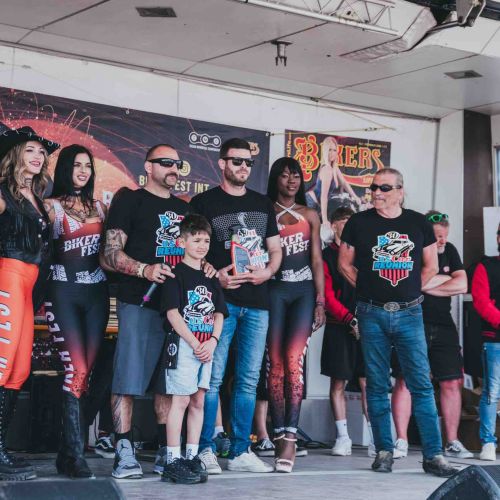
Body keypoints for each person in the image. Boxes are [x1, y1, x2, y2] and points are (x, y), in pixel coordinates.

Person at [338, 167, 458, 477]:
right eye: (374, 187)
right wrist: (368, 290)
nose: (376, 193)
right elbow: (344, 264)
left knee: (421, 384)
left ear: (400, 192)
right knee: (377, 385)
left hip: (409, 313)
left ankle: (434, 455)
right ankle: (383, 451)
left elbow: (431, 266)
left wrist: (409, 291)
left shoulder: (418, 223)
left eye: (384, 188)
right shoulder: (358, 222)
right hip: (371, 312)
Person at [191, 138, 282, 474]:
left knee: (248, 380)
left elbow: (275, 249)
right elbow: (191, 250)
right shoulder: (203, 202)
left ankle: (241, 451)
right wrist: (217, 277)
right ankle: (204, 449)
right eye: (237, 161)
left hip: (258, 303)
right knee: (211, 378)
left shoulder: (262, 203)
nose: (244, 167)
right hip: (220, 303)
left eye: (248, 163)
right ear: (222, 163)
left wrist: (268, 272)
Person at [100, 144, 192, 479]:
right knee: (128, 377)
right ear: (148, 167)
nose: (173, 168)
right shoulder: (130, 200)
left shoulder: (185, 209)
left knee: (168, 383)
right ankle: (123, 450)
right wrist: (145, 270)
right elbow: (109, 253)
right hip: (138, 302)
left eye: (177, 163)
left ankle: (167, 450)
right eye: (165, 162)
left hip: (176, 309)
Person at [43, 144, 109, 478]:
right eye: (76, 165)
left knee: (88, 374)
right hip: (62, 292)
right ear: (64, 168)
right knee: (76, 371)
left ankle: (66, 454)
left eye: (87, 166)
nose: (83, 171)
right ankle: (76, 455)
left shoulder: (100, 207)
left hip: (96, 296)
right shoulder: (50, 206)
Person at [0, 125, 59, 480]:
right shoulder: (3, 191)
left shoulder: (36, 197)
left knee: (19, 370)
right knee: (2, 364)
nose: (37, 157)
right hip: (8, 276)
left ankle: (0, 448)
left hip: (30, 285)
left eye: (41, 152)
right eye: (30, 150)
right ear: (15, 154)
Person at [390, 211, 470, 460]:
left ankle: (452, 441)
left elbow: (462, 285)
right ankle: (401, 440)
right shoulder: (410, 249)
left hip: (444, 324)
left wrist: (425, 283)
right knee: (405, 380)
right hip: (412, 321)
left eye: (445, 236)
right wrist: (443, 281)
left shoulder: (450, 250)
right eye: (437, 237)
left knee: (452, 381)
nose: (442, 241)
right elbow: (405, 282)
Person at [263, 157, 325, 472]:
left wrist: (320, 301)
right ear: (275, 179)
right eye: (285, 175)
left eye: (296, 176)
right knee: (274, 364)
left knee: (293, 361)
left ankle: (291, 436)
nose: (291, 181)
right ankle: (277, 434)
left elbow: (316, 260)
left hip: (302, 292)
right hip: (273, 290)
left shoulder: (310, 214)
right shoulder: (264, 211)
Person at [158, 214, 227, 484]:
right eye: (196, 240)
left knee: (199, 401)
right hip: (184, 345)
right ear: (181, 242)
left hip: (206, 347)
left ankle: (191, 455)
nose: (201, 246)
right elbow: (172, 314)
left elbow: (219, 312)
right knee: (181, 400)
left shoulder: (211, 276)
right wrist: (196, 343)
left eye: (206, 241)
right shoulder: (175, 275)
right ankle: (172, 459)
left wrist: (213, 341)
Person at [321, 207, 374, 457]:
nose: (349, 225)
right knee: (338, 382)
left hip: (367, 324)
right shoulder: (326, 255)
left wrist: (365, 319)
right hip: (338, 326)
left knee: (368, 383)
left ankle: (375, 438)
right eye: (344, 221)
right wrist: (349, 320)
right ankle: (343, 437)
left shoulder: (364, 253)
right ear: (334, 225)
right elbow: (327, 295)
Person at [472, 222, 500, 461]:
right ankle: (488, 442)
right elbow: (481, 302)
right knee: (492, 391)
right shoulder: (486, 266)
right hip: (494, 340)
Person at [305, 136, 361, 230]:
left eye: (334, 150)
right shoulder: (327, 169)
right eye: (329, 150)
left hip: (317, 204)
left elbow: (344, 183)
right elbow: (323, 196)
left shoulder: (334, 168)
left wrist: (355, 197)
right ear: (325, 151)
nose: (332, 153)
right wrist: (325, 220)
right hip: (311, 202)